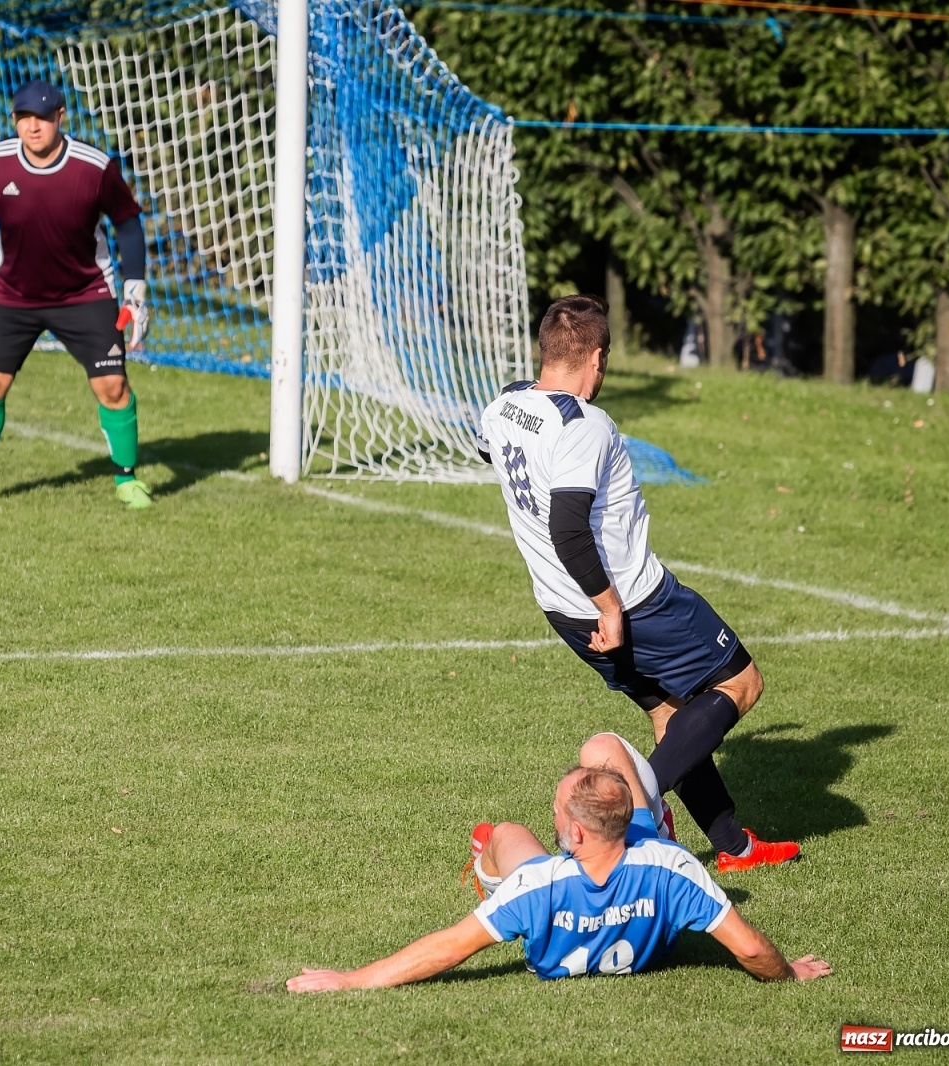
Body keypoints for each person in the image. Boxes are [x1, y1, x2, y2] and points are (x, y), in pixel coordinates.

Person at [476, 294, 797, 872]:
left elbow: (495, 458)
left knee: (671, 715)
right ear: (596, 358)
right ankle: (626, 819)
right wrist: (611, 608)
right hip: (631, 601)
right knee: (741, 683)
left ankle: (734, 847)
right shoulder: (587, 424)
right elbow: (568, 526)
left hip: (561, 609)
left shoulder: (502, 404)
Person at [287, 734, 832, 991]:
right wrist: (790, 972)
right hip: (634, 872)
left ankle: (486, 864)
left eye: (557, 805)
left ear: (573, 831)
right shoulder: (673, 868)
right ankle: (652, 812)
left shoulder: (536, 885)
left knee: (506, 834)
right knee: (606, 745)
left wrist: (350, 980)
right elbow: (754, 949)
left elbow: (447, 948)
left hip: (541, 895)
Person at [0, 80, 153, 509]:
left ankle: (127, 479)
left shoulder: (94, 167)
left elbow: (128, 223)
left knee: (113, 387)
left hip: (86, 292)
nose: (33, 126)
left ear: (61, 117)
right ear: (14, 121)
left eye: (42, 117)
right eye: (24, 118)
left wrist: (135, 293)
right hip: (13, 293)